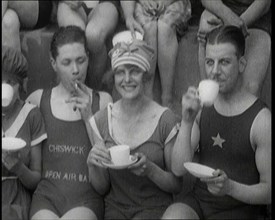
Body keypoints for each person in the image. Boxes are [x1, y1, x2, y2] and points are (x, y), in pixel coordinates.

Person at [161, 26, 271, 219]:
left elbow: (269, 191)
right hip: (200, 202)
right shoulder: (201, 107)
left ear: (242, 64)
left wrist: (230, 188)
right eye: (210, 62)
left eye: (224, 62)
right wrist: (187, 120)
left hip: (241, 209)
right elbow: (178, 168)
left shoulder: (261, 119)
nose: (214, 71)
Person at [86, 39, 182, 219]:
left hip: (154, 210)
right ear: (113, 77)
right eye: (120, 73)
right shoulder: (101, 120)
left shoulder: (165, 119)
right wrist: (92, 165)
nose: (127, 79)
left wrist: (150, 170)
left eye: (134, 71)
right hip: (115, 211)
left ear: (146, 76)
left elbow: (176, 185)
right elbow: (102, 188)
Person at [26, 26, 113, 220]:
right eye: (66, 62)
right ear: (53, 63)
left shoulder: (103, 101)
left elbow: (105, 182)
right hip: (46, 199)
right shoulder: (38, 100)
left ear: (88, 58)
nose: (76, 70)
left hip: (86, 200)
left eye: (81, 61)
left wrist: (89, 115)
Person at [2, 46, 47, 220]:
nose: (4, 88)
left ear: (20, 85)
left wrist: (19, 168)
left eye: (10, 82)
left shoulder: (31, 115)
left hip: (15, 198)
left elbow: (36, 179)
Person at [197, 0, 271, 96]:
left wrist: (235, 26)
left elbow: (264, 4)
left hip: (255, 15)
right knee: (206, 27)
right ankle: (207, 96)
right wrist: (228, 17)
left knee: (251, 88)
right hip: (220, 8)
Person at [133, 0, 191, 108]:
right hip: (143, 3)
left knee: (165, 27)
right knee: (148, 28)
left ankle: (167, 98)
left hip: (175, 2)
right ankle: (147, 96)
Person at [57, 0, 120, 90]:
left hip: (106, 3)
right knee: (75, 36)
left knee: (94, 35)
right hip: (68, 4)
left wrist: (129, 15)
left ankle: (95, 91)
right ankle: (73, 90)